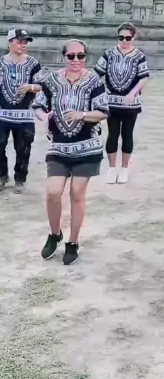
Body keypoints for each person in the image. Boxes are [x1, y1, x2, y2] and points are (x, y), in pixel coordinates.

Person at [33, 40, 109, 266]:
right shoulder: (51, 80)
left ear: (86, 56)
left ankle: (73, 241)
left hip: (87, 147)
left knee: (77, 193)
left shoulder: (94, 81)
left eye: (81, 56)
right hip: (58, 147)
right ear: (63, 57)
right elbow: (38, 105)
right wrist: (43, 116)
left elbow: (103, 112)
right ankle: (55, 234)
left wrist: (82, 114)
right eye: (71, 56)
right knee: (52, 192)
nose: (76, 60)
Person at [95, 23, 150, 185]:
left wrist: (133, 93)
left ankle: (124, 168)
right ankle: (112, 169)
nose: (125, 41)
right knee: (112, 134)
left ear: (133, 37)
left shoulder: (139, 55)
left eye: (128, 38)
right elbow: (97, 73)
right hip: (112, 101)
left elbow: (144, 77)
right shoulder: (109, 53)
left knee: (127, 134)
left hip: (131, 104)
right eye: (121, 37)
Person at [0, 28, 43, 194]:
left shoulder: (33, 63)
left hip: (24, 115)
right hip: (2, 114)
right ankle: (2, 175)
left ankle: (20, 178)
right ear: (10, 42)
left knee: (23, 148)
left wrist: (30, 87)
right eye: (19, 42)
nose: (23, 45)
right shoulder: (1, 62)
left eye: (25, 42)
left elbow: (41, 85)